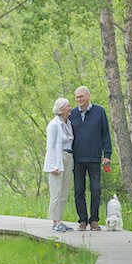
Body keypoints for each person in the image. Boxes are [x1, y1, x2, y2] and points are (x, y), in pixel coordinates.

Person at [69, 86, 112, 231]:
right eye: (76, 97)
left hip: (94, 158)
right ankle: (82, 220)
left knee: (96, 189)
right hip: (77, 159)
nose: (79, 100)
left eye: (81, 96)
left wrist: (107, 155)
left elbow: (105, 134)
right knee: (79, 191)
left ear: (88, 96)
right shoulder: (72, 114)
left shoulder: (99, 112)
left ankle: (94, 220)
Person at [43, 98, 74, 232]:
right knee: (56, 192)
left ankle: (60, 221)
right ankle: (55, 223)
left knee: (64, 192)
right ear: (61, 109)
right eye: (68, 106)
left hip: (68, 157)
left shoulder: (68, 123)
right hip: (57, 159)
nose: (70, 107)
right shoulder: (53, 125)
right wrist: (52, 165)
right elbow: (49, 147)